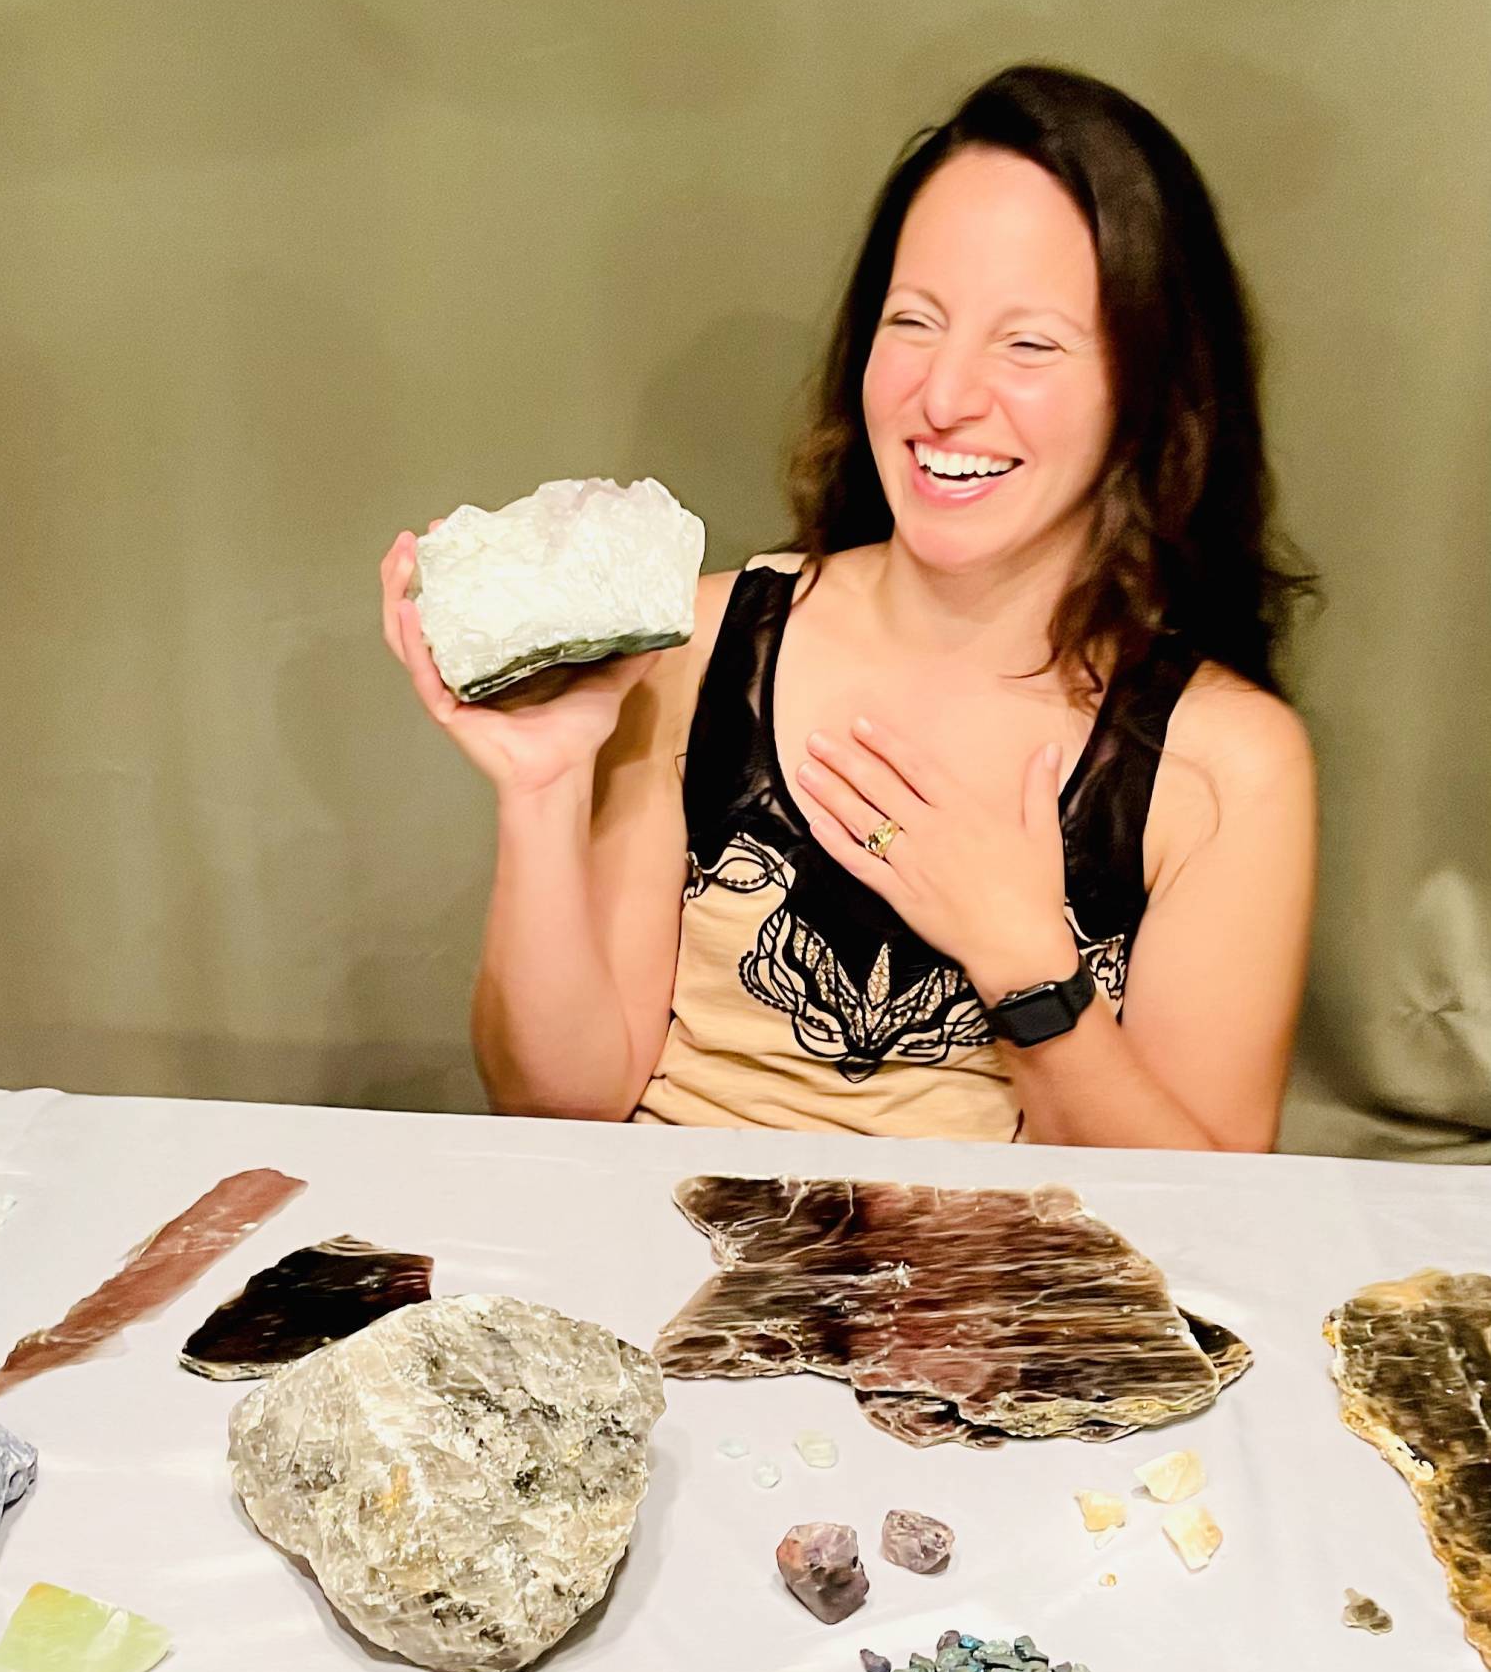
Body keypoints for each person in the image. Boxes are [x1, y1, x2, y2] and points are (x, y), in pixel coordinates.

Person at [380, 63, 1317, 1149]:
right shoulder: (696, 646)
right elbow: (558, 1105)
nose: (947, 397)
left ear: (1147, 384)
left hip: (1001, 1307)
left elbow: (1207, 1224)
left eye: (1029, 343)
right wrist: (542, 794)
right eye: (914, 322)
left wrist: (1028, 964)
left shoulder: (1227, 762)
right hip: (666, 1280)